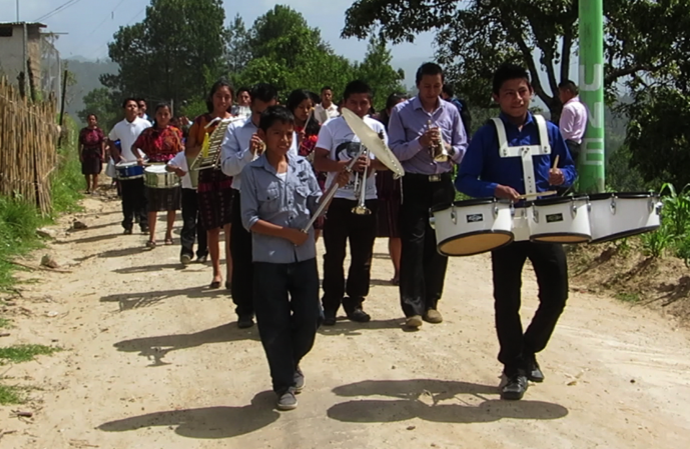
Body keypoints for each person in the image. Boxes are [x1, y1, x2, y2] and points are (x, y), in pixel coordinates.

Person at [456, 63, 577, 401]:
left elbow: (569, 168)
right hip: (506, 225)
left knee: (557, 294)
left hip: (545, 223)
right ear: (497, 97)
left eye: (522, 91)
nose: (517, 98)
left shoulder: (549, 129)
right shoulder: (487, 134)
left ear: (531, 93)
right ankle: (513, 369)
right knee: (507, 298)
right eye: (509, 92)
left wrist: (562, 178)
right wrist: (493, 188)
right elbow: (464, 179)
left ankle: (527, 350)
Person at [241, 106, 349, 411]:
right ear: (263, 135)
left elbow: (317, 204)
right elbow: (249, 219)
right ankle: (283, 384)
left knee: (309, 318)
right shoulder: (252, 172)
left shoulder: (303, 166)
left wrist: (334, 186)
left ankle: (292, 361)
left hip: (304, 258)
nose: (284, 140)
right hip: (269, 261)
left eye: (289, 134)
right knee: (274, 324)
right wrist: (287, 234)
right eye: (277, 133)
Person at [388, 63, 468, 329]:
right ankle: (412, 307)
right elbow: (395, 152)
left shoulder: (452, 111)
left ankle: (432, 303)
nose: (432, 91)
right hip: (414, 183)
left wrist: (447, 148)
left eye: (437, 86)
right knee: (413, 243)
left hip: (443, 183)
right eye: (426, 86)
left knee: (439, 244)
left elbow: (463, 149)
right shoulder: (401, 112)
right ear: (417, 85)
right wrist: (419, 143)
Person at [221, 83, 298, 329]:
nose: (265, 119)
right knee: (243, 254)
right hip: (245, 195)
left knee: (277, 254)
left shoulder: (285, 129)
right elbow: (227, 168)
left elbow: (293, 162)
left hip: (275, 197)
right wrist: (248, 153)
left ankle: (276, 307)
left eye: (270, 112)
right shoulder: (235, 129)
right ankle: (245, 308)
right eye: (260, 114)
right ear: (250, 105)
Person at [314, 80, 390, 326]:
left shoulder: (376, 127)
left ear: (370, 104)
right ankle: (330, 303)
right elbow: (320, 161)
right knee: (334, 255)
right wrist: (344, 167)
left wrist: (371, 165)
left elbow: (386, 161)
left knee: (363, 255)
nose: (359, 108)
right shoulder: (331, 127)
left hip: (367, 197)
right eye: (354, 102)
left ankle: (355, 300)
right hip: (338, 198)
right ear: (344, 103)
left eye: (364, 103)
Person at [186, 80, 237, 287]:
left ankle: (232, 273)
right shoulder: (200, 122)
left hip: (230, 176)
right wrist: (205, 147)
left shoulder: (236, 123)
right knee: (212, 228)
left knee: (230, 228)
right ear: (211, 98)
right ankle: (216, 272)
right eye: (218, 96)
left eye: (226, 97)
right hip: (207, 176)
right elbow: (188, 151)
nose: (222, 101)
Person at [133, 103, 184, 248]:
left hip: (171, 167)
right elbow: (135, 146)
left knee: (172, 203)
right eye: (160, 114)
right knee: (152, 205)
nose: (163, 117)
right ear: (155, 115)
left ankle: (168, 234)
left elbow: (181, 149)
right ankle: (152, 236)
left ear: (170, 116)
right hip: (153, 168)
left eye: (166, 114)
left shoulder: (175, 132)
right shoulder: (148, 133)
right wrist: (139, 158)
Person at [374, 93, 407, 285]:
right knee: (395, 229)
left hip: (411, 178)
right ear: (388, 111)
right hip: (388, 181)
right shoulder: (380, 131)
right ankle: (399, 272)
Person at [286, 89, 326, 240]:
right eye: (301, 107)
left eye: (309, 107)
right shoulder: (287, 128)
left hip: (315, 177)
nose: (305, 111)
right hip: (294, 177)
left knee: (316, 222)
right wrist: (297, 142)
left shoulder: (318, 128)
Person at [108, 98, 152, 235]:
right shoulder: (119, 127)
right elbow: (110, 139)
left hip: (142, 163)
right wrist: (117, 155)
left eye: (134, 106)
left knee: (143, 195)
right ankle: (128, 223)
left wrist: (147, 156)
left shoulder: (145, 124)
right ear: (124, 109)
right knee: (127, 196)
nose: (132, 108)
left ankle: (144, 223)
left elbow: (152, 140)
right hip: (127, 165)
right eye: (129, 106)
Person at [167, 148, 208, 266]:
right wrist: (176, 170)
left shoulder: (207, 153)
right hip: (188, 191)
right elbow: (169, 166)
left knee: (203, 223)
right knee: (188, 221)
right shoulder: (183, 155)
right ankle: (186, 251)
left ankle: (202, 252)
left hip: (205, 190)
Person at [558, 80, 588, 164]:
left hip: (567, 145)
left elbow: (565, 132)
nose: (559, 96)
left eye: (560, 93)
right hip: (576, 145)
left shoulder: (568, 108)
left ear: (567, 92)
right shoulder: (582, 106)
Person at [78, 114, 106, 194]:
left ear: (96, 121)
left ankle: (94, 188)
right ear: (87, 120)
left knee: (95, 171)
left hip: (96, 152)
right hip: (86, 152)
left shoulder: (99, 131)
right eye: (90, 119)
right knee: (86, 172)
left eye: (93, 119)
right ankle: (88, 187)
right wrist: (80, 154)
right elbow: (80, 143)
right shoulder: (83, 131)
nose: (91, 121)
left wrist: (103, 154)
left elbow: (102, 143)